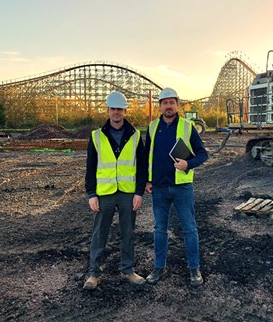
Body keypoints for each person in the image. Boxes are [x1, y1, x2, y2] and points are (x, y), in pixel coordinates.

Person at [145, 87, 209, 287]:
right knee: (159, 229)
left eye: (171, 102)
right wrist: (147, 180)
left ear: (177, 105)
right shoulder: (152, 127)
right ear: (160, 106)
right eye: (164, 103)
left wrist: (187, 164)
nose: (168, 106)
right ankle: (158, 267)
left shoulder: (188, 127)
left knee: (189, 229)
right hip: (159, 188)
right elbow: (147, 155)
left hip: (182, 188)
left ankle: (194, 269)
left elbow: (202, 154)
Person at [83, 91, 147, 290]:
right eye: (113, 109)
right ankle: (94, 273)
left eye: (120, 109)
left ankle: (128, 270)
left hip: (128, 193)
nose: (116, 112)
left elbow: (142, 166)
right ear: (108, 110)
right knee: (99, 233)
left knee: (127, 233)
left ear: (125, 111)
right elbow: (91, 167)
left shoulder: (135, 135)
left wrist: (139, 192)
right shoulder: (97, 136)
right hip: (105, 193)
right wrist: (91, 194)